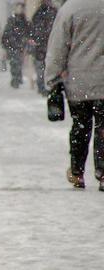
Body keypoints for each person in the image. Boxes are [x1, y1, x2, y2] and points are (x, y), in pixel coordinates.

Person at [45, 0, 104, 191]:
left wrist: (52, 79)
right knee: (103, 128)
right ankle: (103, 172)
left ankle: (77, 172)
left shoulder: (70, 9)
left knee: (81, 125)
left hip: (78, 81)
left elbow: (58, 47)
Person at [29, 0, 57, 96]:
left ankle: (43, 87)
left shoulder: (39, 13)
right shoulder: (53, 12)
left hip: (43, 46)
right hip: (47, 45)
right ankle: (46, 87)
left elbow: (33, 30)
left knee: (41, 68)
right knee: (45, 68)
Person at [1, 2, 31, 89]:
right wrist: (5, 42)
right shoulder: (11, 20)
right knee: (14, 63)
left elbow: (28, 33)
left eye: (21, 8)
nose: (19, 10)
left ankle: (17, 78)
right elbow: (7, 32)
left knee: (18, 63)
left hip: (20, 46)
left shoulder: (25, 21)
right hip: (13, 45)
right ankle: (16, 78)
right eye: (18, 8)